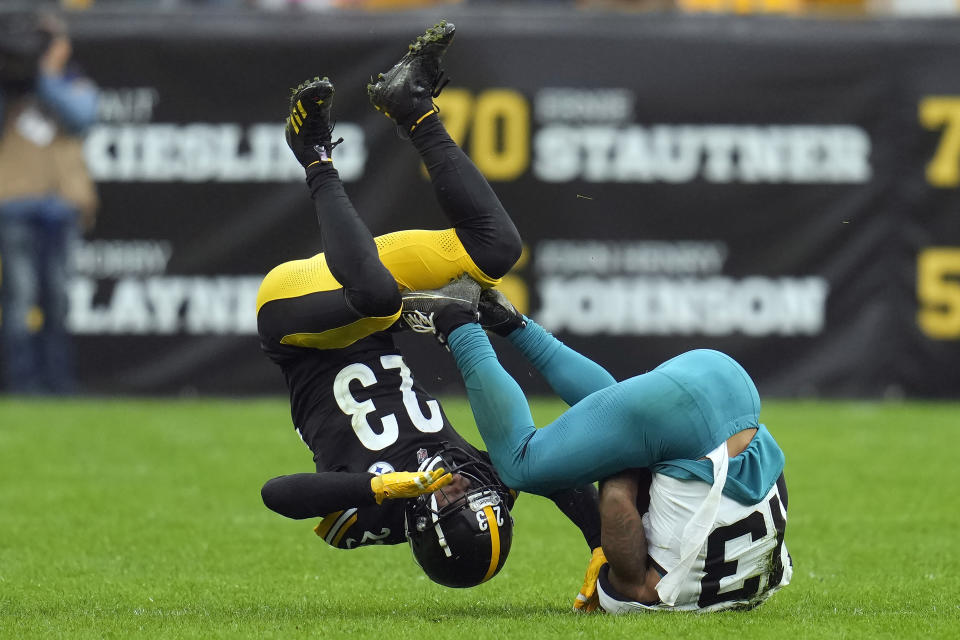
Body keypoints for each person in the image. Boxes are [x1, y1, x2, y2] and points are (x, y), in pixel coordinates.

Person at [256, 21, 602, 589]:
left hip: (299, 325)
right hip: (374, 305)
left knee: (375, 296)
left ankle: (314, 155)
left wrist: (378, 487)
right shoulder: (481, 476)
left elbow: (279, 494)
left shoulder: (374, 515)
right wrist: (598, 542)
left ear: (429, 520)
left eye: (462, 499)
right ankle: (412, 105)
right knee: (495, 251)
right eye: (483, 495)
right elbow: (555, 472)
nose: (467, 484)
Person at [398, 281, 793, 611]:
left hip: (732, 390)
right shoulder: (645, 594)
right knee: (521, 465)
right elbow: (619, 499)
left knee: (621, 414)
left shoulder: (759, 577)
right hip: (686, 420)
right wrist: (607, 544)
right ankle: (457, 322)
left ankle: (510, 320)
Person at [0, 10, 98, 395]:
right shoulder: (8, 88)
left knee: (57, 299)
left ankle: (58, 385)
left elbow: (81, 118)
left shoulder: (74, 83)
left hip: (60, 207)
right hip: (15, 204)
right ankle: (22, 387)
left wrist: (44, 73)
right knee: (20, 299)